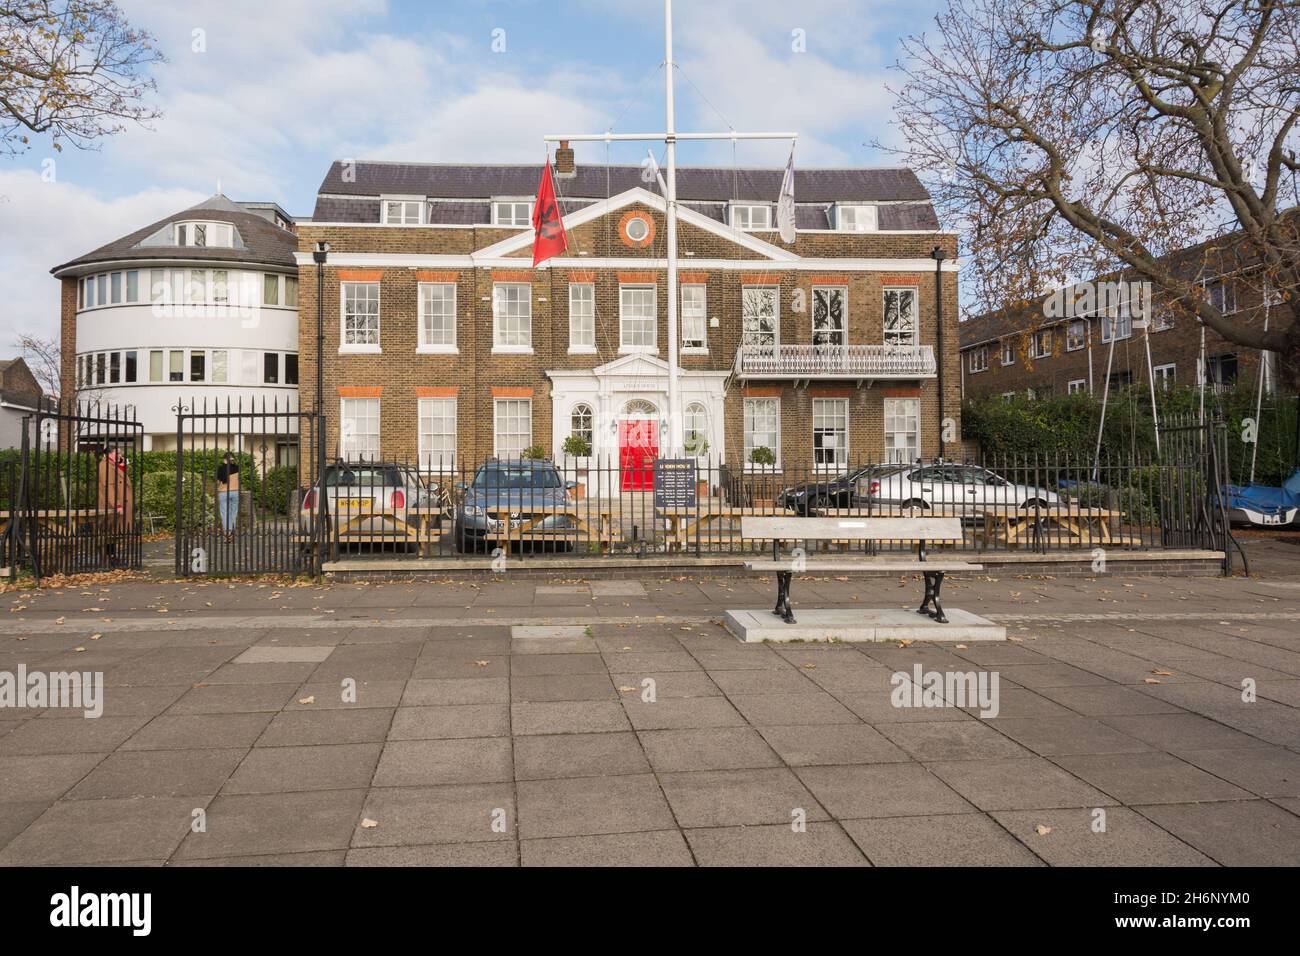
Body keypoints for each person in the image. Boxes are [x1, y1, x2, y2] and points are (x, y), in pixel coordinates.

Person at [96, 445, 135, 568]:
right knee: (110, 531)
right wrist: (117, 504)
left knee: (113, 532)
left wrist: (122, 466)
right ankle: (110, 557)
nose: (120, 455)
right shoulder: (105, 466)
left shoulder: (113, 465)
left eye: (120, 453)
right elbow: (109, 487)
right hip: (111, 504)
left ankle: (112, 556)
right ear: (109, 454)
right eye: (117, 453)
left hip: (119, 502)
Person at [216, 451, 241, 540]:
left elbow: (218, 482)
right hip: (235, 492)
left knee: (224, 513)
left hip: (223, 492)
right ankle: (232, 530)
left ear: (224, 459)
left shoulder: (220, 468)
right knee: (234, 512)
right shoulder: (237, 468)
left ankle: (228, 533)